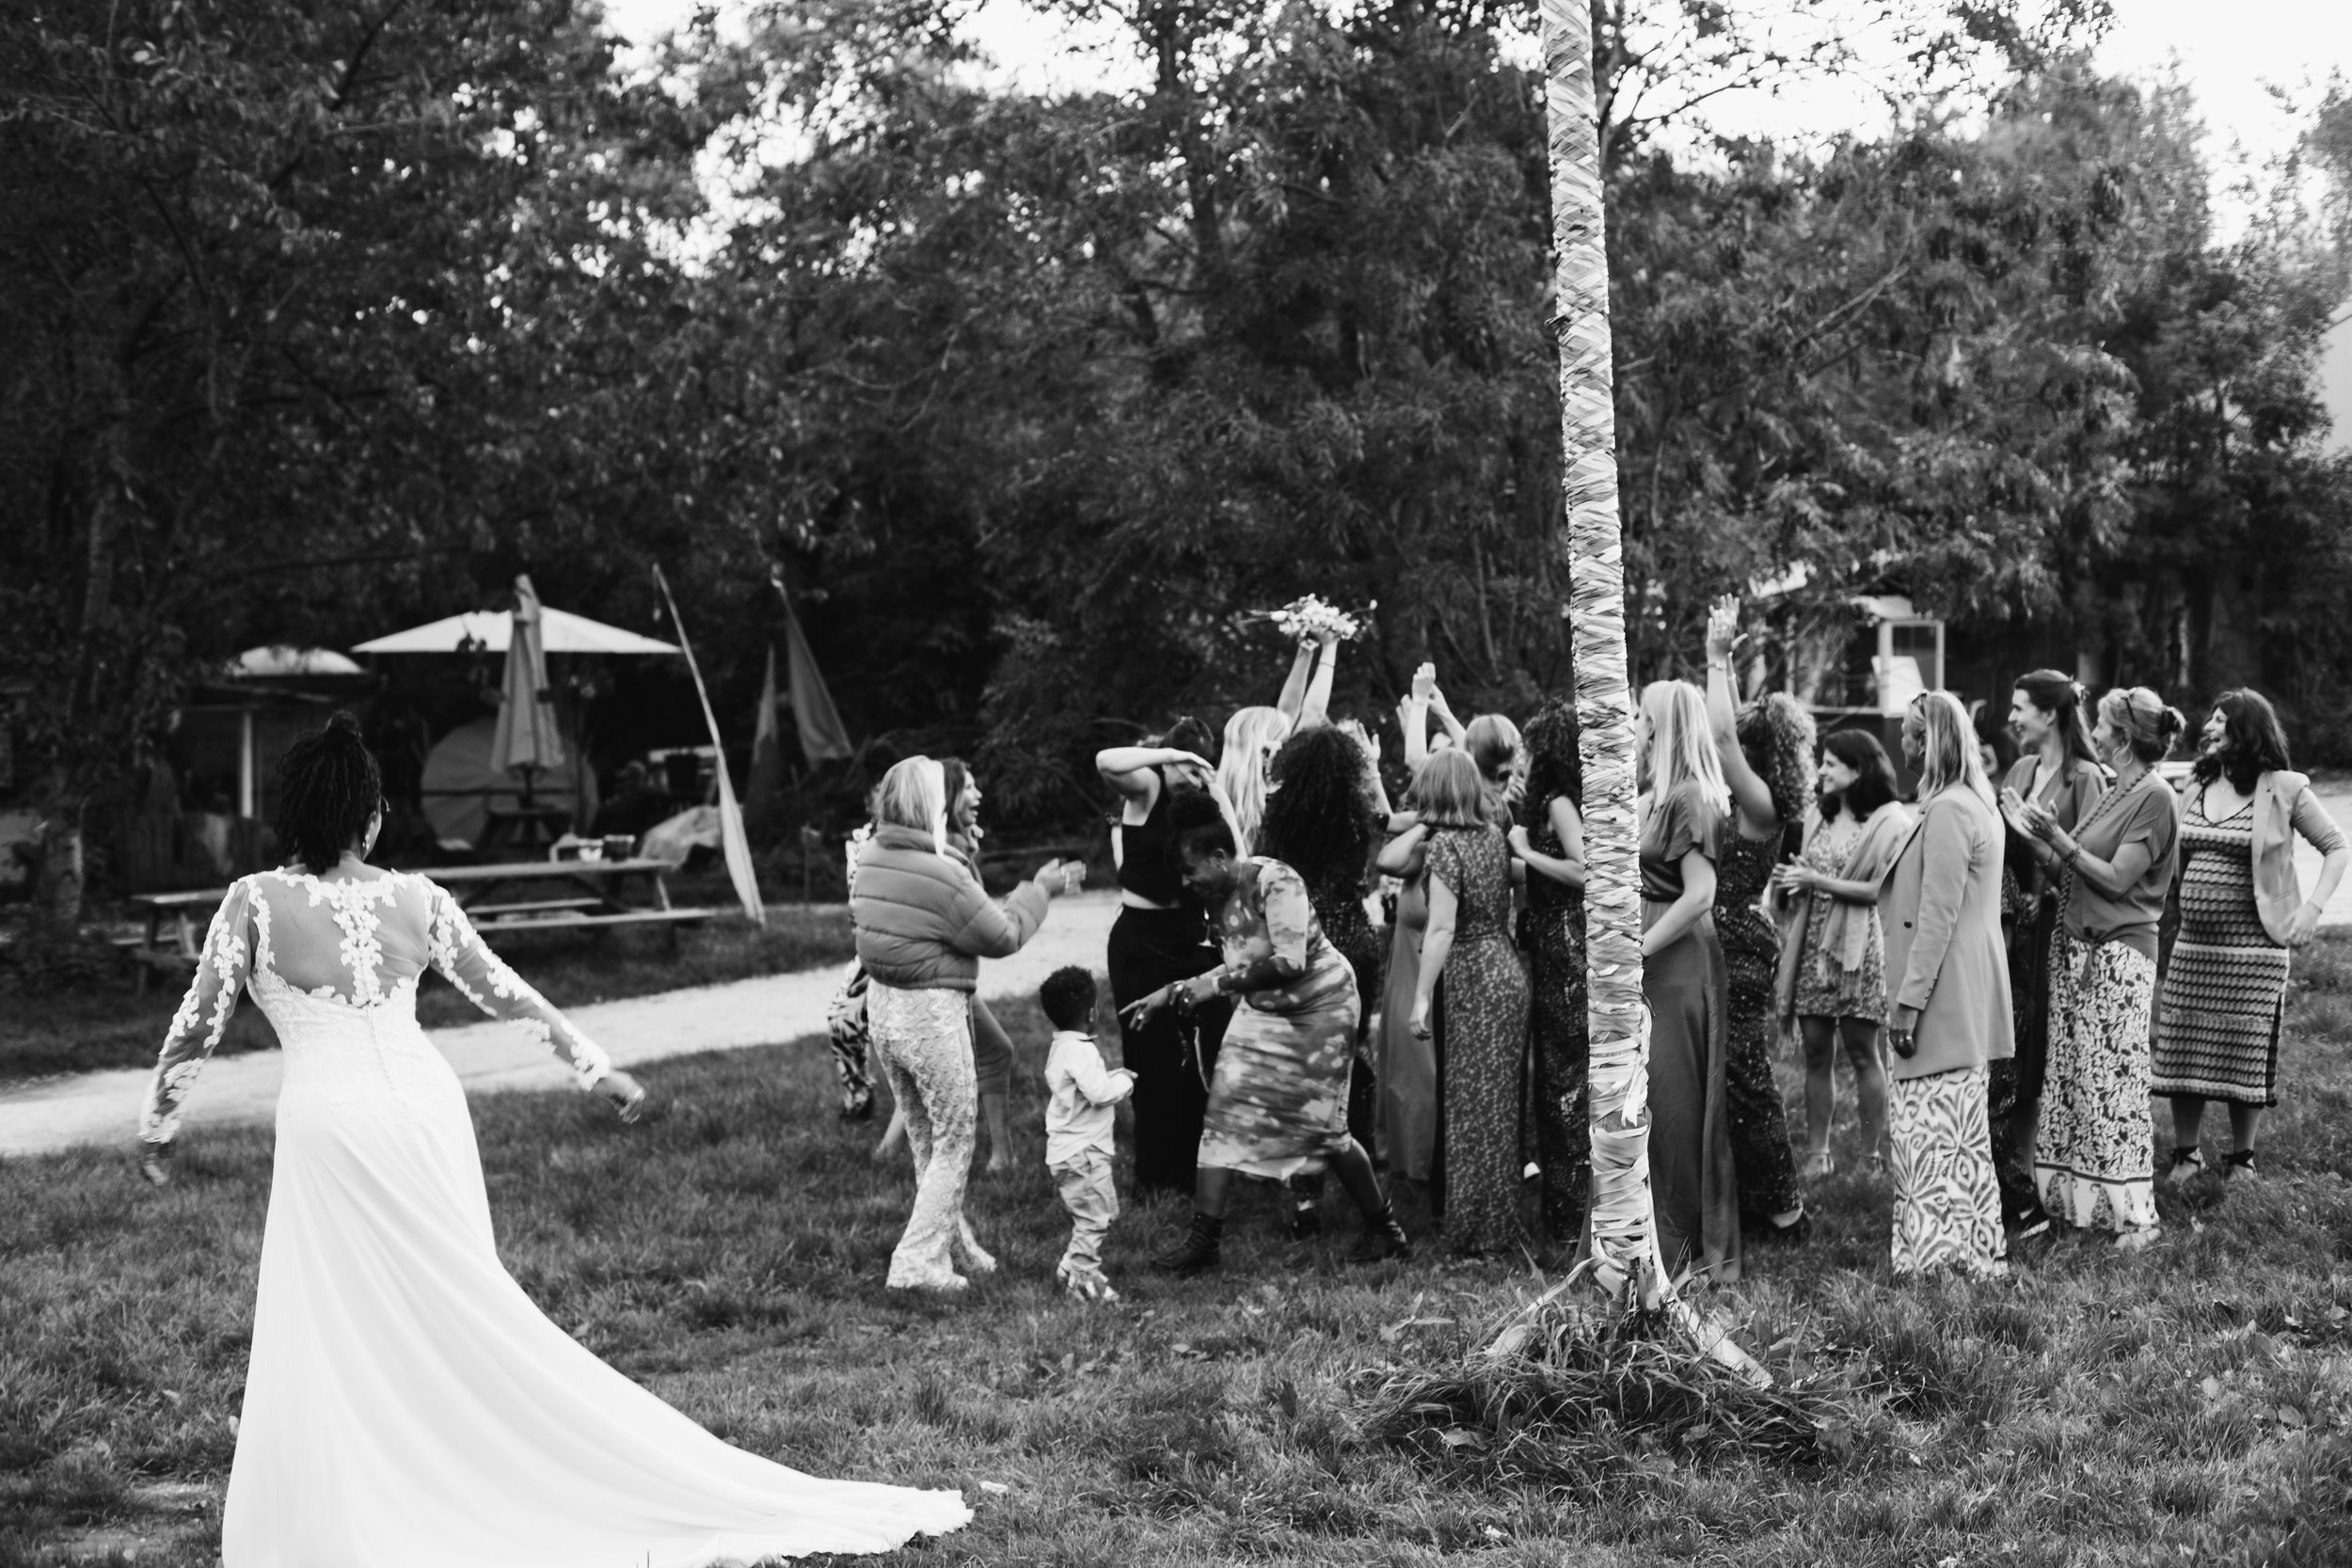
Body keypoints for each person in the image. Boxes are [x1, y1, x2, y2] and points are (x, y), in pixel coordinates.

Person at [135, 713, 969, 1566]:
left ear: (293, 810)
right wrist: (595, 1067)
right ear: (371, 816)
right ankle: (458, 1457)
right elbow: (510, 995)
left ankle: (370, 1484)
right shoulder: (418, 899)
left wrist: (159, 1124)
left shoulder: (253, 901)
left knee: (335, 1314)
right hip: (424, 1114)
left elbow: (196, 1026)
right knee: (457, 1304)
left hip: (329, 1124)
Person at [1130, 791, 1410, 1271]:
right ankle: (1204, 1242)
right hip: (1264, 1012)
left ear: (1219, 857)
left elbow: (1289, 962)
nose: (1185, 881)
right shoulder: (1215, 898)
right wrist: (1173, 991)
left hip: (1322, 1008)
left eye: (1190, 869)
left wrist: (1215, 987)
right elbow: (1234, 962)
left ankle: (1385, 1230)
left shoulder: (1275, 881)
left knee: (1328, 1130)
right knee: (1221, 1110)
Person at [851, 757, 1080, 1291]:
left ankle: (955, 1246)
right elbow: (1001, 936)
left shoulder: (871, 855)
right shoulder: (942, 871)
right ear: (930, 804)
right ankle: (914, 1264)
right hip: (931, 1015)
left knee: (926, 1142)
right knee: (955, 1142)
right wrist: (1039, 889)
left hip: (885, 1013)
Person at [2015, 687, 2185, 1249]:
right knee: (2075, 1082)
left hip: (2119, 955)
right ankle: (2078, 1208)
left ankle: (2136, 1219)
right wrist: (2030, 833)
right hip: (2077, 949)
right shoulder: (2114, 790)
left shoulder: (2156, 797)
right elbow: (2074, 869)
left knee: (2115, 1084)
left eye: (2106, 725)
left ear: (2127, 736)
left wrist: (2057, 837)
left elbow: (2115, 878)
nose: (2097, 731)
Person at [2155, 689, 2348, 1180]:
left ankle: (2242, 1157)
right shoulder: (2195, 784)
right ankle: (2187, 1153)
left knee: (2246, 1049)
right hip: (2194, 945)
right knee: (2183, 1041)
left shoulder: (2283, 787)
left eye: (2221, 721)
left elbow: (2336, 847)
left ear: (2246, 730)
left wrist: (2312, 909)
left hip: (2256, 950)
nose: (2209, 728)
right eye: (2210, 720)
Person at [1879, 692, 2014, 1277]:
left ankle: (1940, 1261)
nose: (1903, 745)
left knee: (1934, 1135)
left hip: (1943, 997)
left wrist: (1908, 1005)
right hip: (1962, 991)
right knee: (1954, 1131)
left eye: (1912, 735)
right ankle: (1965, 1255)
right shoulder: (1969, 803)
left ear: (1933, 742)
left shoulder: (1951, 811)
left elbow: (1937, 915)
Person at [1702, 596, 1813, 1242]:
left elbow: (1721, 735)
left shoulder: (1762, 804)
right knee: (1730, 1071)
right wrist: (1730, 665)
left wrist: (1717, 658)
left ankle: (1784, 1209)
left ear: (1756, 750)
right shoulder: (1760, 793)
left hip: (1739, 939)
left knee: (1745, 1074)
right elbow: (1733, 728)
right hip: (1732, 933)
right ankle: (1749, 1197)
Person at [1260, 722, 1388, 1234]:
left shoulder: (1281, 819)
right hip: (1355, 942)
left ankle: (1305, 1194)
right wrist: (1373, 768)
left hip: (1306, 939)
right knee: (1354, 1055)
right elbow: (1387, 815)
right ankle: (1363, 1174)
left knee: (1301, 1063)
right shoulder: (1361, 817)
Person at [1095, 720, 1232, 1199]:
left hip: (1192, 941)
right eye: (1186, 768)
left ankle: (1200, 1162)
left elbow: (1239, 856)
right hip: (1142, 941)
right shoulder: (1147, 788)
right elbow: (1105, 761)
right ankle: (1155, 1174)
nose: (1192, 780)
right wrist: (1164, 756)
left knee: (1201, 1054)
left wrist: (1211, 784)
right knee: (1150, 1057)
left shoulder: (1200, 803)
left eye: (1201, 771)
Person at [1404, 748, 1532, 1257]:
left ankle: (1476, 1230)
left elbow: (1440, 927)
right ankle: (1495, 1224)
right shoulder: (1493, 838)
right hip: (1505, 968)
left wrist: (1418, 999)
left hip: (1474, 977)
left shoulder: (1444, 848)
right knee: (1497, 1110)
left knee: (1470, 1108)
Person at [1993, 670, 2106, 1235]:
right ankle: (2011, 1174)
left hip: (2058, 941)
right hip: (2013, 933)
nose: (2012, 717)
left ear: (2050, 714)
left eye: (2020, 707)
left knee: (2037, 1056)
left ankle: (2037, 1176)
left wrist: (2042, 852)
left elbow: (2091, 872)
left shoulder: (2087, 780)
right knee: (2010, 1053)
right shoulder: (2018, 772)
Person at [1636, 680, 1741, 1282]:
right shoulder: (1658, 794)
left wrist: (1637, 950)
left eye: (1643, 716)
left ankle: (1676, 1247)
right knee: (1643, 1095)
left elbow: (1701, 895)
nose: (1635, 724)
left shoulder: (1691, 798)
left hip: (1675, 963)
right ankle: (1640, 1236)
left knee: (1672, 1101)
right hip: (1655, 956)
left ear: (1663, 725)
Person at [1772, 728, 1910, 1177]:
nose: (1822, 770)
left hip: (1859, 948)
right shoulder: (1818, 815)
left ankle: (1870, 1157)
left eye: (1831, 762)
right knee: (1815, 1050)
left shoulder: (1887, 821)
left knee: (1862, 1050)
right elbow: (1810, 872)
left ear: (1858, 770)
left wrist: (1818, 882)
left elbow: (1879, 891)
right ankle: (1818, 1154)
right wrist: (1793, 878)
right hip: (1813, 941)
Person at [1510, 698, 1590, 1245]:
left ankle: (1574, 1220)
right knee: (1556, 1082)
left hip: (1564, 949)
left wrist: (1525, 854)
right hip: (1549, 944)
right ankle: (1565, 1214)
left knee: (1565, 1084)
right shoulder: (1548, 803)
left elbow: (1583, 870)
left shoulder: (1561, 802)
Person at [1039, 966, 1135, 1302]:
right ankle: (1082, 1279)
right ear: (1091, 1012)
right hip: (1085, 1153)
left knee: (1099, 1213)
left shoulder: (1063, 1046)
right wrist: (1124, 1081)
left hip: (1069, 1151)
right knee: (1095, 1218)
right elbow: (1100, 1094)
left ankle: (1071, 1265)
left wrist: (1111, 1075)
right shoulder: (1082, 1050)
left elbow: (1086, 1087)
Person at [939, 757, 1016, 1175]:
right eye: (968, 787)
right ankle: (1000, 1157)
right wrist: (1037, 894)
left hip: (945, 983)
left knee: (985, 1053)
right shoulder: (950, 850)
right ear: (949, 796)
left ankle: (1001, 1156)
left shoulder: (951, 841)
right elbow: (986, 924)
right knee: (994, 1052)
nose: (978, 794)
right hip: (945, 984)